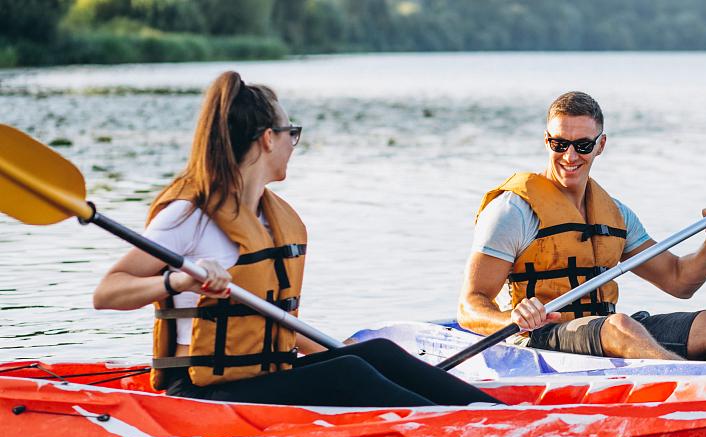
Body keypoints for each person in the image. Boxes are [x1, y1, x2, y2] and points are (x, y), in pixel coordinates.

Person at [93, 71, 501, 407]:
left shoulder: (270, 217)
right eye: (292, 133)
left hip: (262, 378)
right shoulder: (190, 215)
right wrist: (178, 281)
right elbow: (108, 292)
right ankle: (463, 429)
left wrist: (354, 357)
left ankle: (495, 415)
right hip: (203, 393)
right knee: (350, 373)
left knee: (374, 354)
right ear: (268, 138)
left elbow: (277, 322)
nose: (294, 144)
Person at [457, 91, 706, 365]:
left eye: (582, 145)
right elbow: (470, 307)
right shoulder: (515, 209)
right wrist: (514, 316)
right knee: (621, 327)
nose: (569, 155)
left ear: (600, 145)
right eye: (559, 143)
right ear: (546, 140)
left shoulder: (614, 214)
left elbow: (680, 281)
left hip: (601, 332)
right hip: (541, 339)